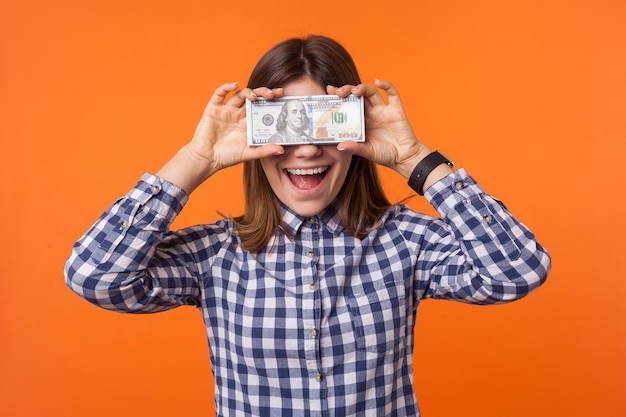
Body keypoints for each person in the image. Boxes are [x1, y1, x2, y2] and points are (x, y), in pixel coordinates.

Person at [65, 35, 551, 416]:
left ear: (357, 131)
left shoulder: (406, 241)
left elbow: (517, 271)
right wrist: (196, 159)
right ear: (255, 137)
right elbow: (96, 277)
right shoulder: (215, 255)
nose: (306, 150)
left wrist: (414, 158)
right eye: (284, 126)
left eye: (327, 124)